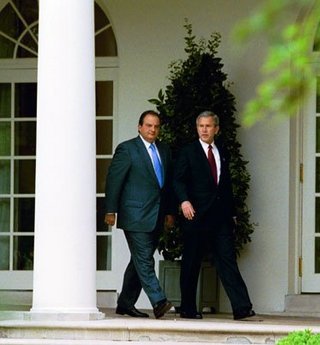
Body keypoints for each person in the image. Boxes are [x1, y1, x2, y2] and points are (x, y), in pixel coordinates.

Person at [173, 110, 255, 320]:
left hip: (220, 218)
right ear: (196, 128)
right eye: (201, 126)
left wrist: (233, 214)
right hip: (196, 216)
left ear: (216, 129)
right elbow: (178, 180)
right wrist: (184, 201)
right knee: (191, 262)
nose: (204, 130)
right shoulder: (188, 151)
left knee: (227, 260)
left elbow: (225, 185)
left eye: (208, 126)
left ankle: (242, 307)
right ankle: (188, 308)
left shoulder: (222, 151)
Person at [104, 110, 175, 319]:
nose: (153, 129)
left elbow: (167, 185)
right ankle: (159, 301)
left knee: (138, 261)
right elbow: (114, 180)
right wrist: (110, 210)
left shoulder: (164, 150)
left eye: (156, 126)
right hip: (134, 215)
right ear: (139, 127)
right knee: (144, 259)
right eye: (148, 125)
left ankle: (125, 303)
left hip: (156, 215)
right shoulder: (127, 149)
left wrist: (170, 212)